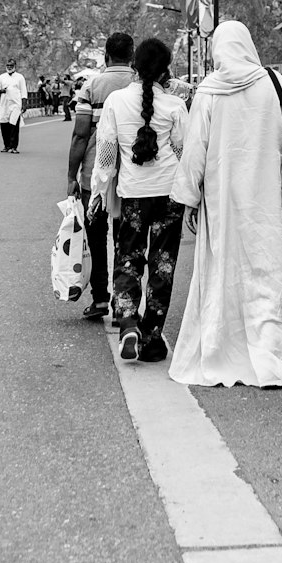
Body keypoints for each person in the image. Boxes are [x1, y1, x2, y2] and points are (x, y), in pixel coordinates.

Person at [169, 21, 282, 389]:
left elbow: (194, 152)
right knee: (267, 267)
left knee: (224, 269)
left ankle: (223, 348)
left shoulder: (209, 92)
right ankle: (272, 351)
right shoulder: (275, 84)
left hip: (221, 204)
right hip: (267, 198)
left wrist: (188, 199)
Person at [90, 37, 188, 363]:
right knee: (163, 265)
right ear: (166, 69)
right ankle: (152, 336)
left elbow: (105, 154)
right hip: (171, 195)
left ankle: (129, 322)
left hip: (133, 195)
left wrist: (98, 192)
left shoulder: (116, 101)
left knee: (129, 258)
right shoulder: (175, 105)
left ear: (134, 64)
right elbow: (184, 153)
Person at [66, 32, 135, 322]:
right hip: (132, 176)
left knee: (96, 237)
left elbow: (80, 135)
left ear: (106, 56)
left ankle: (101, 299)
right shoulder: (141, 84)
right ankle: (124, 304)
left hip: (94, 177)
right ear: (132, 56)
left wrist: (72, 175)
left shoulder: (91, 86)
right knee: (127, 240)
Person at [0, 58, 28, 153]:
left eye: (11, 66)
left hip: (16, 104)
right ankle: (7, 145)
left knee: (14, 125)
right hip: (4, 104)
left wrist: (24, 104)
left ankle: (14, 146)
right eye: (8, 66)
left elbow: (24, 91)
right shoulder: (2, 77)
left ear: (15, 66)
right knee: (4, 125)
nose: (9, 67)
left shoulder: (20, 77)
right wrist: (0, 91)